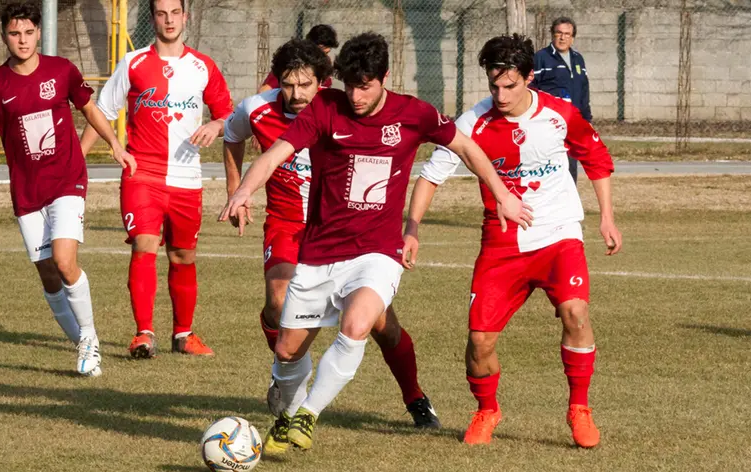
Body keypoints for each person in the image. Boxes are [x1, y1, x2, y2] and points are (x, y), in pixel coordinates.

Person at [220, 32, 532, 453]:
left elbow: (466, 147)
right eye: (348, 84)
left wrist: (502, 193)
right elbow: (276, 152)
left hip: (376, 250)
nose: (355, 95)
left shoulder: (414, 113)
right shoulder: (325, 108)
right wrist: (243, 190)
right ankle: (288, 412)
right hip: (320, 251)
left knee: (359, 325)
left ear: (384, 78)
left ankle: (309, 416)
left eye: (364, 85)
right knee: (288, 352)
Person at [406, 33, 622, 448]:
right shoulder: (473, 123)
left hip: (560, 235)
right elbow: (431, 175)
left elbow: (597, 159)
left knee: (576, 314)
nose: (500, 95)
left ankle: (579, 408)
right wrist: (412, 228)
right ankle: (487, 410)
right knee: (479, 341)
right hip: (502, 245)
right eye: (493, 85)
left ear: (529, 78)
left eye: (510, 85)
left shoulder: (560, 114)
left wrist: (607, 218)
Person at [222, 38, 440, 430]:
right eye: (288, 85)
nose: (296, 94)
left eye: (306, 85)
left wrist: (408, 226)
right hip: (289, 222)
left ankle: (415, 396)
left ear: (323, 82)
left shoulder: (336, 109)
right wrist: (237, 191)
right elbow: (231, 136)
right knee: (278, 298)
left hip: (342, 228)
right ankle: (289, 387)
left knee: (380, 324)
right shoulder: (256, 109)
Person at [0, 1, 134, 376]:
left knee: (64, 261)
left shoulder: (61, 71)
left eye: (28, 32)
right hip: (27, 191)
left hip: (67, 179)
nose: (22, 40)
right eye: (14, 33)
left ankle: (90, 338)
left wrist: (115, 144)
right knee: (47, 273)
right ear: (4, 36)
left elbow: (90, 108)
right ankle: (83, 344)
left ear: (39, 33)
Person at [80, 0, 233, 358]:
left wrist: (215, 124)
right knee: (144, 245)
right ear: (153, 18)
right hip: (142, 174)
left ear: (185, 16)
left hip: (187, 179)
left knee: (183, 255)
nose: (169, 20)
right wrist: (78, 159)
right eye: (161, 14)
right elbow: (101, 111)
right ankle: (144, 334)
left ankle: (183, 335)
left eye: (174, 13)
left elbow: (228, 114)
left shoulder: (203, 67)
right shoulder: (133, 64)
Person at [531, 17, 591, 183]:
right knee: (549, 167)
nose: (562, 37)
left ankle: (568, 202)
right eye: (559, 33)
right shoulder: (540, 58)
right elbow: (530, 90)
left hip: (572, 123)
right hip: (548, 124)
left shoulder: (578, 59)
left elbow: (584, 91)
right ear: (552, 34)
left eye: (567, 34)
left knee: (571, 166)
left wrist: (587, 120)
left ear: (572, 38)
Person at [257, 24, 338, 93]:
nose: (324, 57)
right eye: (320, 51)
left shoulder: (325, 67)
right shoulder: (292, 63)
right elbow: (263, 91)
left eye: (326, 53)